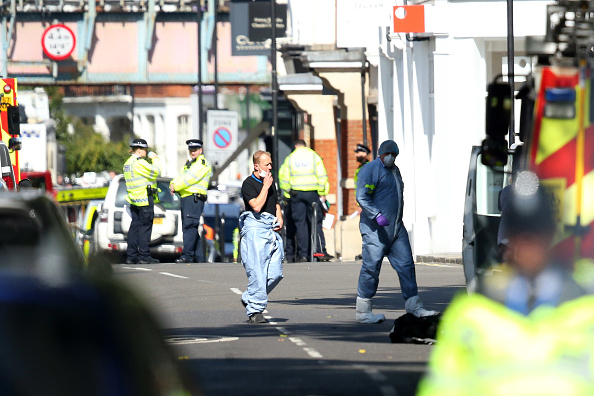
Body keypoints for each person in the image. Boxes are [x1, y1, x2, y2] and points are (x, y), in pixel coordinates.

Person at [417, 171, 594, 396]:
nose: (528, 243)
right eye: (521, 234)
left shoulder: (587, 308)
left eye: (535, 233)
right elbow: (445, 385)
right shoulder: (474, 314)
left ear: (551, 234)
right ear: (509, 237)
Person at [355, 140, 436, 323]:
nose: (392, 157)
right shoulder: (371, 170)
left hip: (396, 228)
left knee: (407, 266)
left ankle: (414, 306)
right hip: (375, 230)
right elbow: (362, 195)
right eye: (389, 154)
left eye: (394, 154)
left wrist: (395, 222)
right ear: (381, 153)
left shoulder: (395, 170)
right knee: (371, 268)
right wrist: (376, 214)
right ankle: (363, 311)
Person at [240, 150, 284, 323]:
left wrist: (279, 217)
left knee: (276, 273)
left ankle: (249, 296)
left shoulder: (271, 182)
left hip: (270, 229)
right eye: (267, 165)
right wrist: (265, 186)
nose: (270, 167)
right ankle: (255, 311)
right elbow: (256, 207)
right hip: (255, 229)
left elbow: (276, 202)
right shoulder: (248, 184)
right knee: (257, 272)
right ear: (257, 166)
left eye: (271, 164)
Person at [279, 139, 333, 262]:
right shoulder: (314, 156)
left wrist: (289, 191)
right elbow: (322, 176)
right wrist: (321, 192)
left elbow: (283, 177)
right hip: (312, 193)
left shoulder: (290, 158)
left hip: (296, 194)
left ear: (295, 146)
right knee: (316, 222)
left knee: (300, 224)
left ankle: (303, 254)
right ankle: (318, 251)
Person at [170, 139, 211, 263]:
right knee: (190, 227)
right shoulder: (190, 163)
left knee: (189, 226)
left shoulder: (201, 164)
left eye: (195, 150)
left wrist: (175, 186)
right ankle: (199, 258)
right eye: (191, 150)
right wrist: (173, 183)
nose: (193, 152)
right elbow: (180, 176)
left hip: (194, 198)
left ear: (200, 150)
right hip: (187, 197)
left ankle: (187, 256)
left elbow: (188, 179)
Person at [124, 138, 162, 264]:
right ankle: (144, 256)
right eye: (145, 150)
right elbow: (156, 172)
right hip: (144, 199)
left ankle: (131, 256)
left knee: (134, 228)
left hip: (134, 200)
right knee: (145, 228)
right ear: (139, 150)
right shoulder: (139, 163)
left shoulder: (128, 163)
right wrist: (155, 159)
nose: (146, 152)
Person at [354, 143, 371, 261]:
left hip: (367, 204)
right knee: (365, 229)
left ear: (364, 153)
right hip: (364, 203)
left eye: (358, 152)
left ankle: (368, 252)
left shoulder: (367, 168)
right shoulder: (360, 168)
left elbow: (368, 187)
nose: (356, 155)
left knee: (368, 229)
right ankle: (366, 251)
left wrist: (364, 203)